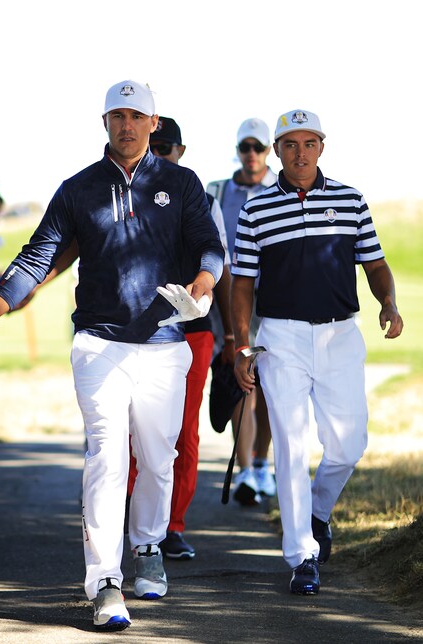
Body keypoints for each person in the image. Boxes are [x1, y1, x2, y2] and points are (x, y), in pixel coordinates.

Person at [0, 80, 224, 632]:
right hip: (98, 343)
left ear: (154, 122)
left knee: (159, 456)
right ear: (104, 123)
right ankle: (104, 580)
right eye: (116, 115)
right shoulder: (78, 189)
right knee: (107, 458)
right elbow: (34, 260)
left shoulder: (181, 182)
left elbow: (209, 245)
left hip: (166, 344)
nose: (126, 124)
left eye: (135, 115)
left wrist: (204, 281)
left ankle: (147, 546)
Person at [231, 109, 403, 595]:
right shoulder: (255, 209)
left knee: (349, 444)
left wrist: (387, 302)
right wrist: (243, 344)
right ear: (277, 152)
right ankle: (302, 555)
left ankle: (316, 513)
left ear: (321, 148)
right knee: (291, 445)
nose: (300, 153)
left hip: (340, 335)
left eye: (309, 144)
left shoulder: (350, 200)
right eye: (290, 145)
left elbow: (375, 264)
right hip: (281, 338)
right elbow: (242, 283)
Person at [126, 117, 232, 561]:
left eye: (168, 146)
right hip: (135, 329)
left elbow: (219, 265)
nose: (162, 152)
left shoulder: (203, 199)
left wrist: (232, 338)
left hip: (192, 330)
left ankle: (171, 525)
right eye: (157, 144)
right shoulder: (124, 193)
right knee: (132, 430)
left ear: (180, 152)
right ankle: (128, 519)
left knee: (182, 432)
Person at [206, 118, 279, 504]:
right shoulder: (216, 191)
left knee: (267, 385)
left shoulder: (280, 189)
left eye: (258, 147)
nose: (251, 154)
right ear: (238, 150)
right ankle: (247, 472)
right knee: (241, 381)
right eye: (245, 147)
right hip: (230, 302)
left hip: (272, 303)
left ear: (268, 151)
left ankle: (261, 461)